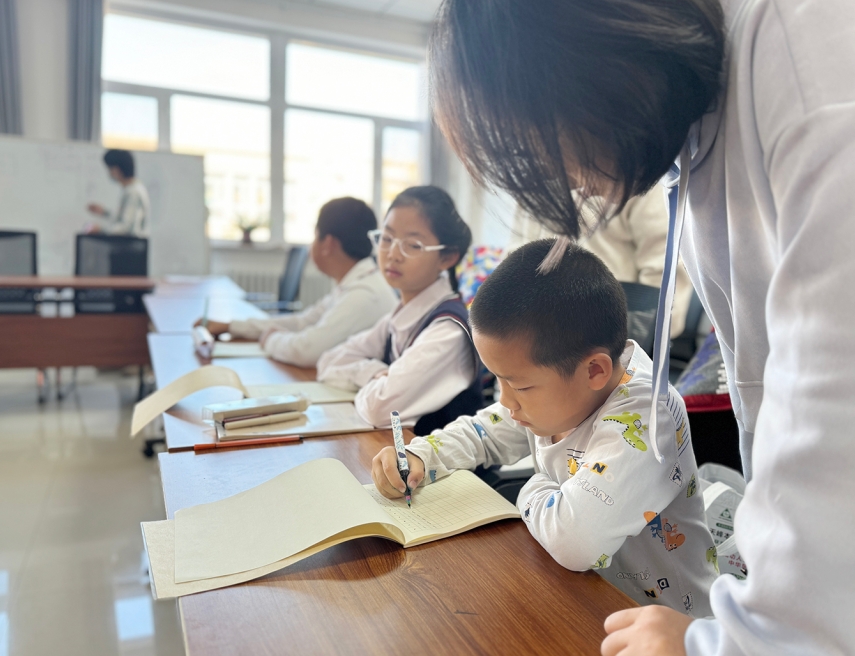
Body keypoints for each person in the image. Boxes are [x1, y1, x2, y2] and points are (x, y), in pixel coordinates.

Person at [428, 0, 855, 655]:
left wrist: (734, 641)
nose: (568, 179)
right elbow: (773, 386)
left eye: (541, 145)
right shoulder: (700, 135)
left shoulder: (805, 34)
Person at [371, 239, 718, 614]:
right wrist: (421, 455)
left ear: (594, 370)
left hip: (669, 623)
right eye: (499, 380)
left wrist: (533, 486)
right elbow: (483, 432)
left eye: (518, 386)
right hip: (583, 596)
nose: (506, 401)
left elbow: (575, 542)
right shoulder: (560, 393)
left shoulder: (647, 417)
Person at [317, 186, 484, 434]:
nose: (393, 254)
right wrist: (372, 372)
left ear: (447, 257)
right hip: (395, 450)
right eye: (386, 239)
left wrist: (369, 378)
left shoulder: (447, 331)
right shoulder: (400, 316)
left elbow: (379, 409)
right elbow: (327, 362)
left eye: (413, 245)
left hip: (438, 459)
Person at [198, 197, 398, 368]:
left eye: (315, 236)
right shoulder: (354, 282)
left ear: (328, 244)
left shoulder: (364, 294)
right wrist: (232, 327)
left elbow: (307, 351)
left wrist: (271, 339)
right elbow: (302, 322)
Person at [511, 187, 695, 338]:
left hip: (605, 334)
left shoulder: (642, 179)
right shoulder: (531, 175)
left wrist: (634, 338)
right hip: (533, 331)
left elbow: (663, 271)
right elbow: (515, 259)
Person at [87, 149, 150, 237]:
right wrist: (104, 212)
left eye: (110, 169)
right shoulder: (130, 189)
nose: (109, 173)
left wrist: (101, 230)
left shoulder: (133, 192)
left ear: (118, 169)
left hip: (132, 244)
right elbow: (123, 218)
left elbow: (126, 228)